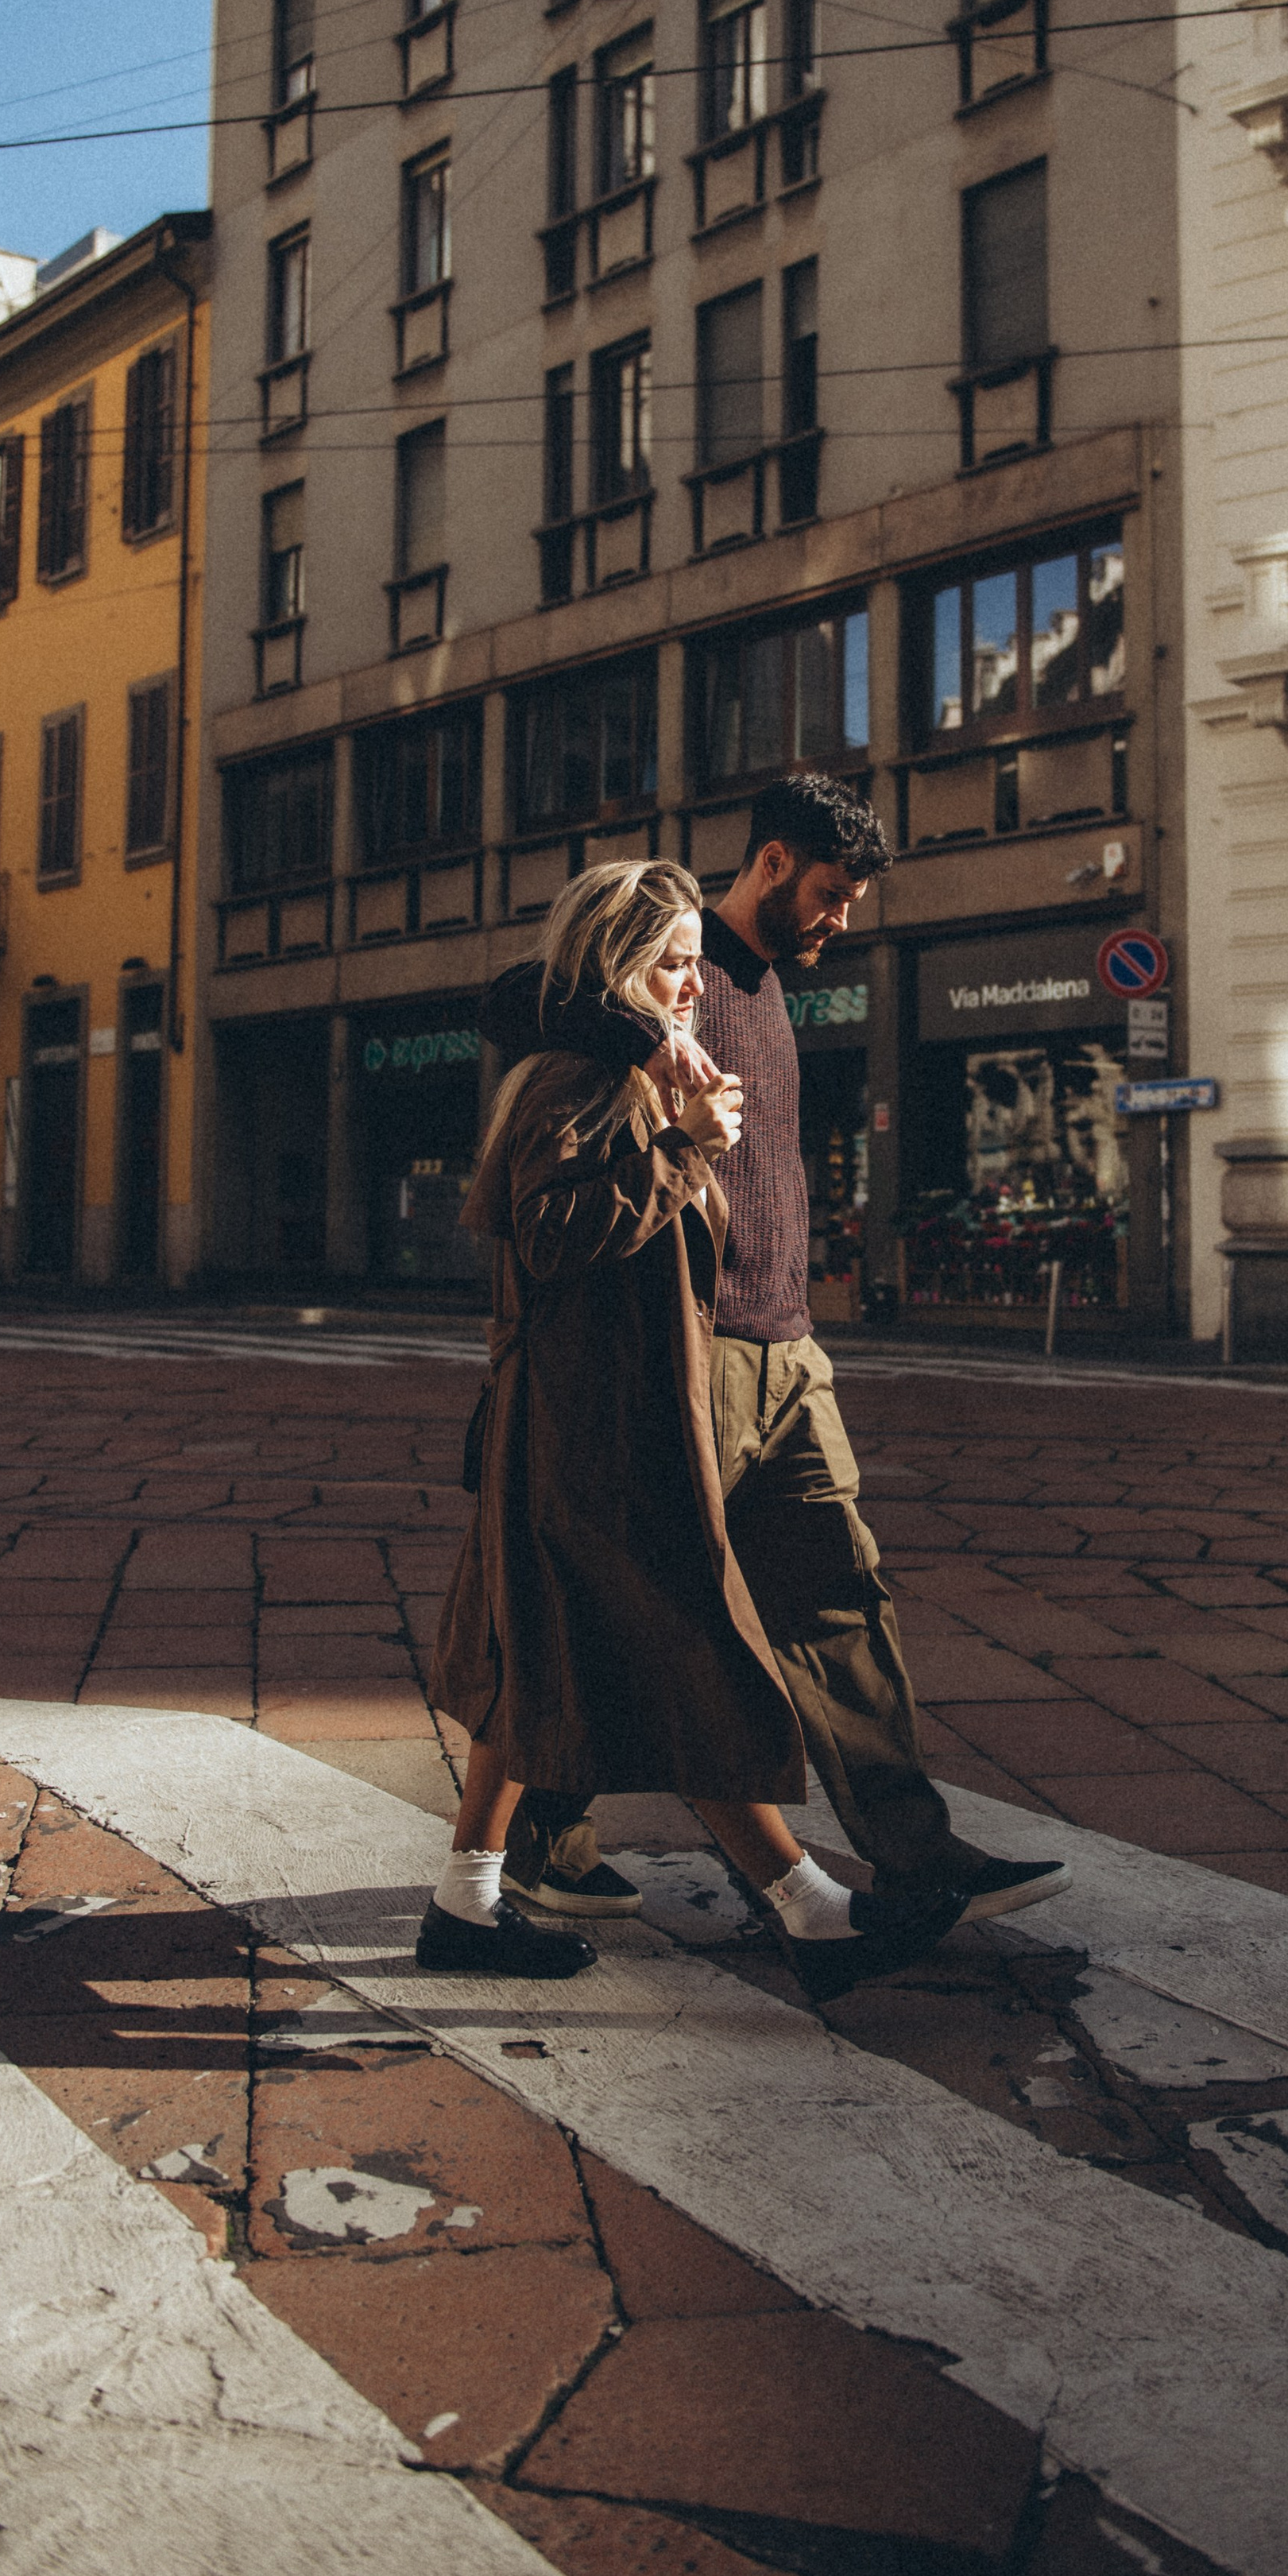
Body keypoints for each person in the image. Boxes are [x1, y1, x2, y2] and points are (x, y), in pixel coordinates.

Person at [485, 776, 1071, 1931]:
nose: (841, 920)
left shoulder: (769, 987)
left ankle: (918, 1851)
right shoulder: (672, 951)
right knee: (642, 1598)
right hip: (685, 1352)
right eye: (829, 894)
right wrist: (648, 1026)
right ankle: (550, 1841)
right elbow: (515, 994)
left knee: (839, 1597)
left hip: (789, 1353)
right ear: (767, 864)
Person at [420, 856, 966, 1999]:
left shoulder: (613, 1068)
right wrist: (688, 1148)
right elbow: (558, 1232)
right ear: (618, 963)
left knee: (542, 1655)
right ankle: (809, 1909)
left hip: (594, 1420)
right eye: (670, 964)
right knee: (687, 1653)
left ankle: (465, 1901)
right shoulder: (577, 1079)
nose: (689, 982)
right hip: (598, 1429)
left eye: (691, 961)